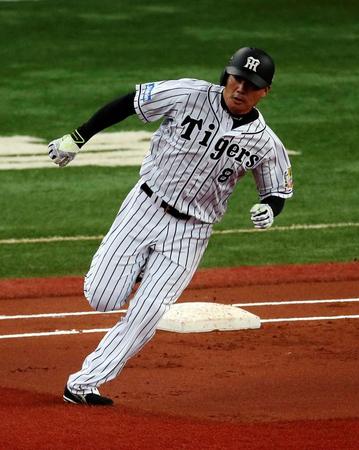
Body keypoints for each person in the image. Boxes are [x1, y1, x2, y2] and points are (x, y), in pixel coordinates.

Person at [48, 47, 294, 406]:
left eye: (251, 84)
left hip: (191, 232)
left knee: (148, 312)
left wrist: (269, 209)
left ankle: (84, 384)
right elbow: (129, 103)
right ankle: (137, 269)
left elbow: (277, 190)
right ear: (226, 75)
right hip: (144, 206)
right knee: (102, 297)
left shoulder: (265, 142)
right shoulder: (187, 94)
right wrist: (78, 137)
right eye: (237, 78)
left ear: (265, 91)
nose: (240, 88)